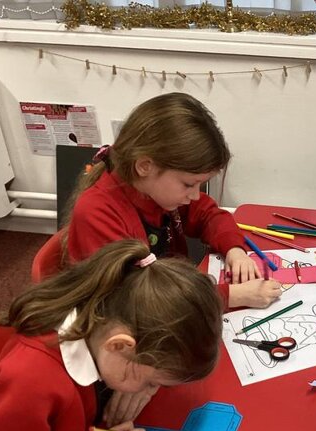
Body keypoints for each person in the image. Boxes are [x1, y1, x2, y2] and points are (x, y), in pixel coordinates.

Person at [0, 240, 222, 431]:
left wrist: (142, 386)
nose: (149, 390)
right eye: (151, 382)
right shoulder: (31, 379)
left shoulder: (105, 326)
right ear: (120, 346)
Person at [65, 92, 282, 309]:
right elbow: (137, 300)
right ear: (145, 166)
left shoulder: (156, 191)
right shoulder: (97, 213)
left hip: (170, 293)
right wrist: (232, 296)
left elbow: (209, 214)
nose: (195, 195)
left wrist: (235, 250)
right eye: (188, 184)